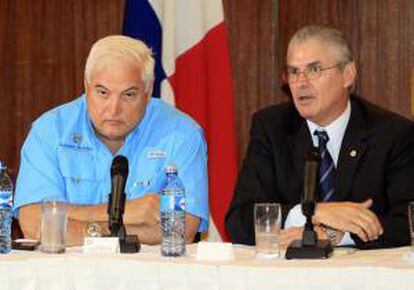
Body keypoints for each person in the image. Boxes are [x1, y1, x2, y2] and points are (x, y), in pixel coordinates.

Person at [225, 25, 414, 249]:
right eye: (294, 71)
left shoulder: (392, 133)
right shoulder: (271, 127)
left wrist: (334, 234)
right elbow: (240, 219)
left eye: (314, 70)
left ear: (347, 74)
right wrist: (314, 213)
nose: (301, 83)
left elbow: (407, 222)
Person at [14, 35, 209, 246]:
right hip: (67, 276)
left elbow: (182, 231)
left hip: (148, 276)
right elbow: (34, 224)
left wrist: (71, 223)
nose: (114, 109)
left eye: (128, 95)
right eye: (102, 92)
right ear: (86, 86)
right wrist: (127, 213)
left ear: (148, 90)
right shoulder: (49, 131)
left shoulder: (182, 134)